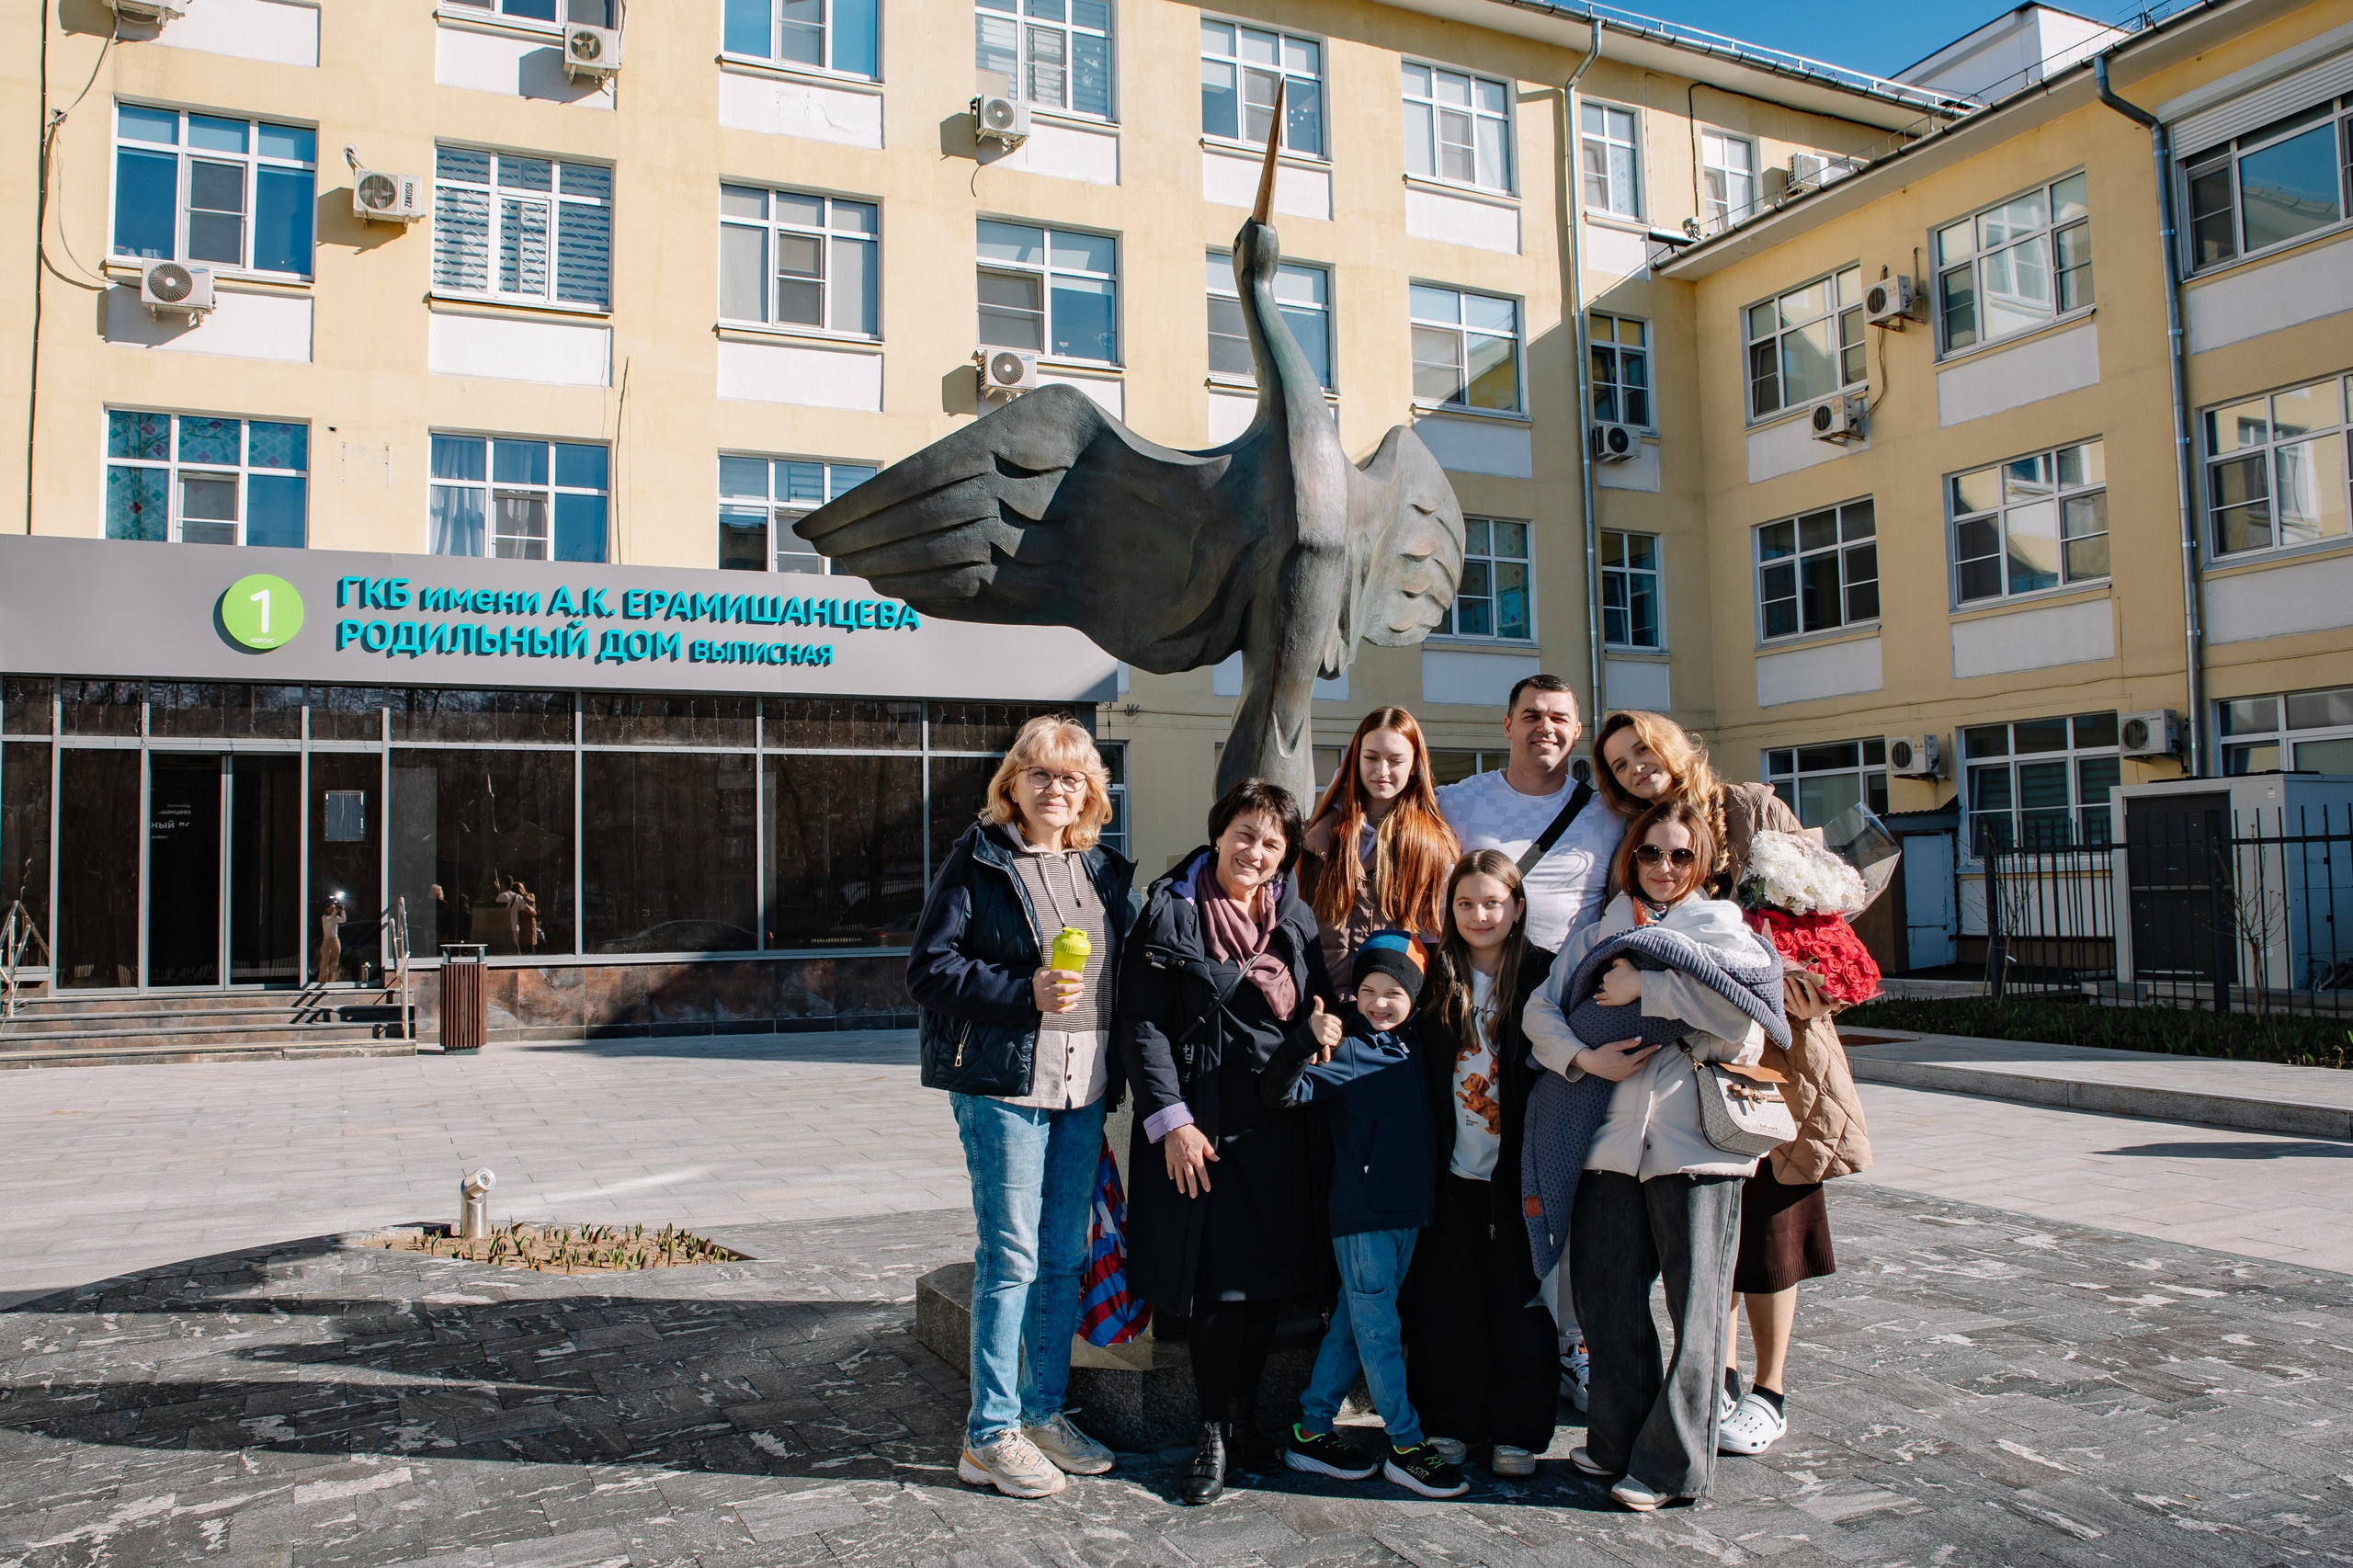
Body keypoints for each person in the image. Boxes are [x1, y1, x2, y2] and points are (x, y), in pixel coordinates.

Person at [1591, 710, 1871, 1459]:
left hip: (1775, 1049)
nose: (1636, 768)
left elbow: (1828, 906)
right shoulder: (1643, 836)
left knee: (1776, 1217)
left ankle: (1771, 1391)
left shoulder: (1752, 809)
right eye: (1619, 764)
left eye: (1642, 750)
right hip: (1687, 1050)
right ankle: (1719, 1376)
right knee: (1712, 1221)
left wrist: (1823, 984)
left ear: (1675, 743)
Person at [1521, 800, 1786, 1511]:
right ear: (1628, 858)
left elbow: (1747, 1021)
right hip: (1607, 1142)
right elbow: (1539, 1011)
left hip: (1693, 1144)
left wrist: (1651, 987)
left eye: (1679, 855)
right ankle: (1614, 1442)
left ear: (1701, 862)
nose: (1663, 868)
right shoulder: (1599, 932)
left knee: (1697, 1308)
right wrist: (1584, 1057)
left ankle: (1673, 1467)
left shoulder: (1726, 933)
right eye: (1649, 853)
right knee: (1607, 1303)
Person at [905, 714, 1134, 1500]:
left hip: (1082, 1089)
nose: (1056, 788)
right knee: (1012, 1258)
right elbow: (929, 971)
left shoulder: (1102, 872)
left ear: (1091, 792)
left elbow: (1117, 984)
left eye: (1072, 777)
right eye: (1040, 773)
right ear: (1013, 784)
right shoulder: (977, 860)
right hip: (1005, 1085)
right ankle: (989, 1433)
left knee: (1063, 1258)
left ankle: (1040, 1411)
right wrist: (1022, 993)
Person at [1118, 777, 1342, 1506]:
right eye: (1245, 834)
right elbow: (1144, 1027)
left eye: (1272, 842)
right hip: (1202, 1128)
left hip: (1278, 1127)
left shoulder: (1294, 916)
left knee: (1265, 1285)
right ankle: (1211, 1430)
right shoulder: (1171, 912)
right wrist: (1171, 1123)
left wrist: (1325, 1032)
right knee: (1214, 1288)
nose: (1255, 851)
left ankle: (1247, 1419)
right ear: (1219, 832)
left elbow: (1318, 1004)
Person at [1436, 672, 1622, 1403]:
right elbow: (1381, 839)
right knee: (1484, 1172)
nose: (1546, 727)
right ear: (1506, 724)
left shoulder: (1606, 815)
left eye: (1560, 718)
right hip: (1482, 1011)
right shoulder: (1461, 800)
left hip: (1568, 1014)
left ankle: (1570, 1340)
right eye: (1532, 715)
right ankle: (1489, 1331)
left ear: (1577, 732)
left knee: (1569, 1179)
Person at [1261, 931, 1469, 1500]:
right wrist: (1304, 1038)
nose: (1379, 1002)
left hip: (1408, 1212)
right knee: (1379, 1331)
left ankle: (1311, 1429)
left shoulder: (1415, 1049)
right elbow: (1279, 1094)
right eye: (1368, 989)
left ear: (1414, 997)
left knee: (1357, 1324)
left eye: (1393, 992)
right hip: (1363, 1214)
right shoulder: (1348, 1050)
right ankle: (1406, 1444)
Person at [1404, 850, 1561, 1479]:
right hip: (1451, 1170)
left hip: (1518, 1172)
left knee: (1518, 1300)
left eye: (1493, 902)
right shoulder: (1436, 974)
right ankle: (1449, 1422)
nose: (1479, 915)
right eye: (1465, 904)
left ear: (1517, 907)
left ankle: (1518, 1430)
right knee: (1448, 1302)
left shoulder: (1545, 976)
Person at [1300, 707, 1460, 982]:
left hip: (1390, 1007)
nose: (1381, 771)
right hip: (1319, 1000)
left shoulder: (1431, 843)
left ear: (1414, 766)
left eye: (1395, 760)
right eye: (1371, 757)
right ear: (1356, 760)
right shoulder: (1319, 834)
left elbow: (1436, 935)